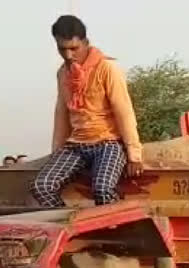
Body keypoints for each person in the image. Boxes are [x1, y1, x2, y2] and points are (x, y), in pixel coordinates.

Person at [30, 15, 143, 208]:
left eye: (74, 48)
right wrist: (56, 153)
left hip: (108, 142)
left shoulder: (107, 68)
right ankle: (71, 225)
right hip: (77, 144)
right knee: (42, 186)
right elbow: (62, 113)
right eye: (62, 49)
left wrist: (134, 154)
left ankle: (113, 231)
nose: (68, 55)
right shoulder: (63, 73)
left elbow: (123, 109)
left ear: (85, 42)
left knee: (102, 189)